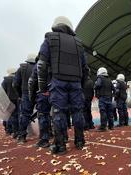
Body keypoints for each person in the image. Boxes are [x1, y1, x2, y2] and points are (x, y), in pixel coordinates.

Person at [37, 16, 89, 154]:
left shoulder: (50, 38)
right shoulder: (79, 44)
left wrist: (42, 87)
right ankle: (80, 141)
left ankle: (60, 146)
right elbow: (85, 69)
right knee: (78, 111)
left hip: (58, 81)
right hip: (76, 83)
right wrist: (81, 85)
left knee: (59, 112)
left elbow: (41, 65)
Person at [28, 56, 52, 148]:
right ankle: (61, 138)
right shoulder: (53, 64)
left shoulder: (38, 65)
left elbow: (32, 82)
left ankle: (44, 139)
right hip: (55, 92)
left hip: (43, 94)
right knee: (57, 114)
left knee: (43, 115)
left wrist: (32, 98)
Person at [13, 54, 37, 143]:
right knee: (43, 113)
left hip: (26, 93)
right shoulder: (40, 67)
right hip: (39, 93)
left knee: (25, 114)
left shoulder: (21, 68)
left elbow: (15, 84)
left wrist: (20, 94)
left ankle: (22, 136)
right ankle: (46, 135)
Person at [94, 67, 115, 132]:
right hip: (109, 98)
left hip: (102, 97)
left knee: (103, 111)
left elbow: (98, 85)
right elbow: (114, 90)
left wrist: (95, 87)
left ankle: (103, 126)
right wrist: (112, 96)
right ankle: (111, 126)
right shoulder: (109, 80)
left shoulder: (100, 78)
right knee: (110, 112)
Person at [2, 68, 19, 138]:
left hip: (8, 100)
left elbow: (2, 91)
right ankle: (16, 131)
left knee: (9, 115)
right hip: (18, 99)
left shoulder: (5, 81)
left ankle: (9, 130)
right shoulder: (17, 79)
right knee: (17, 115)